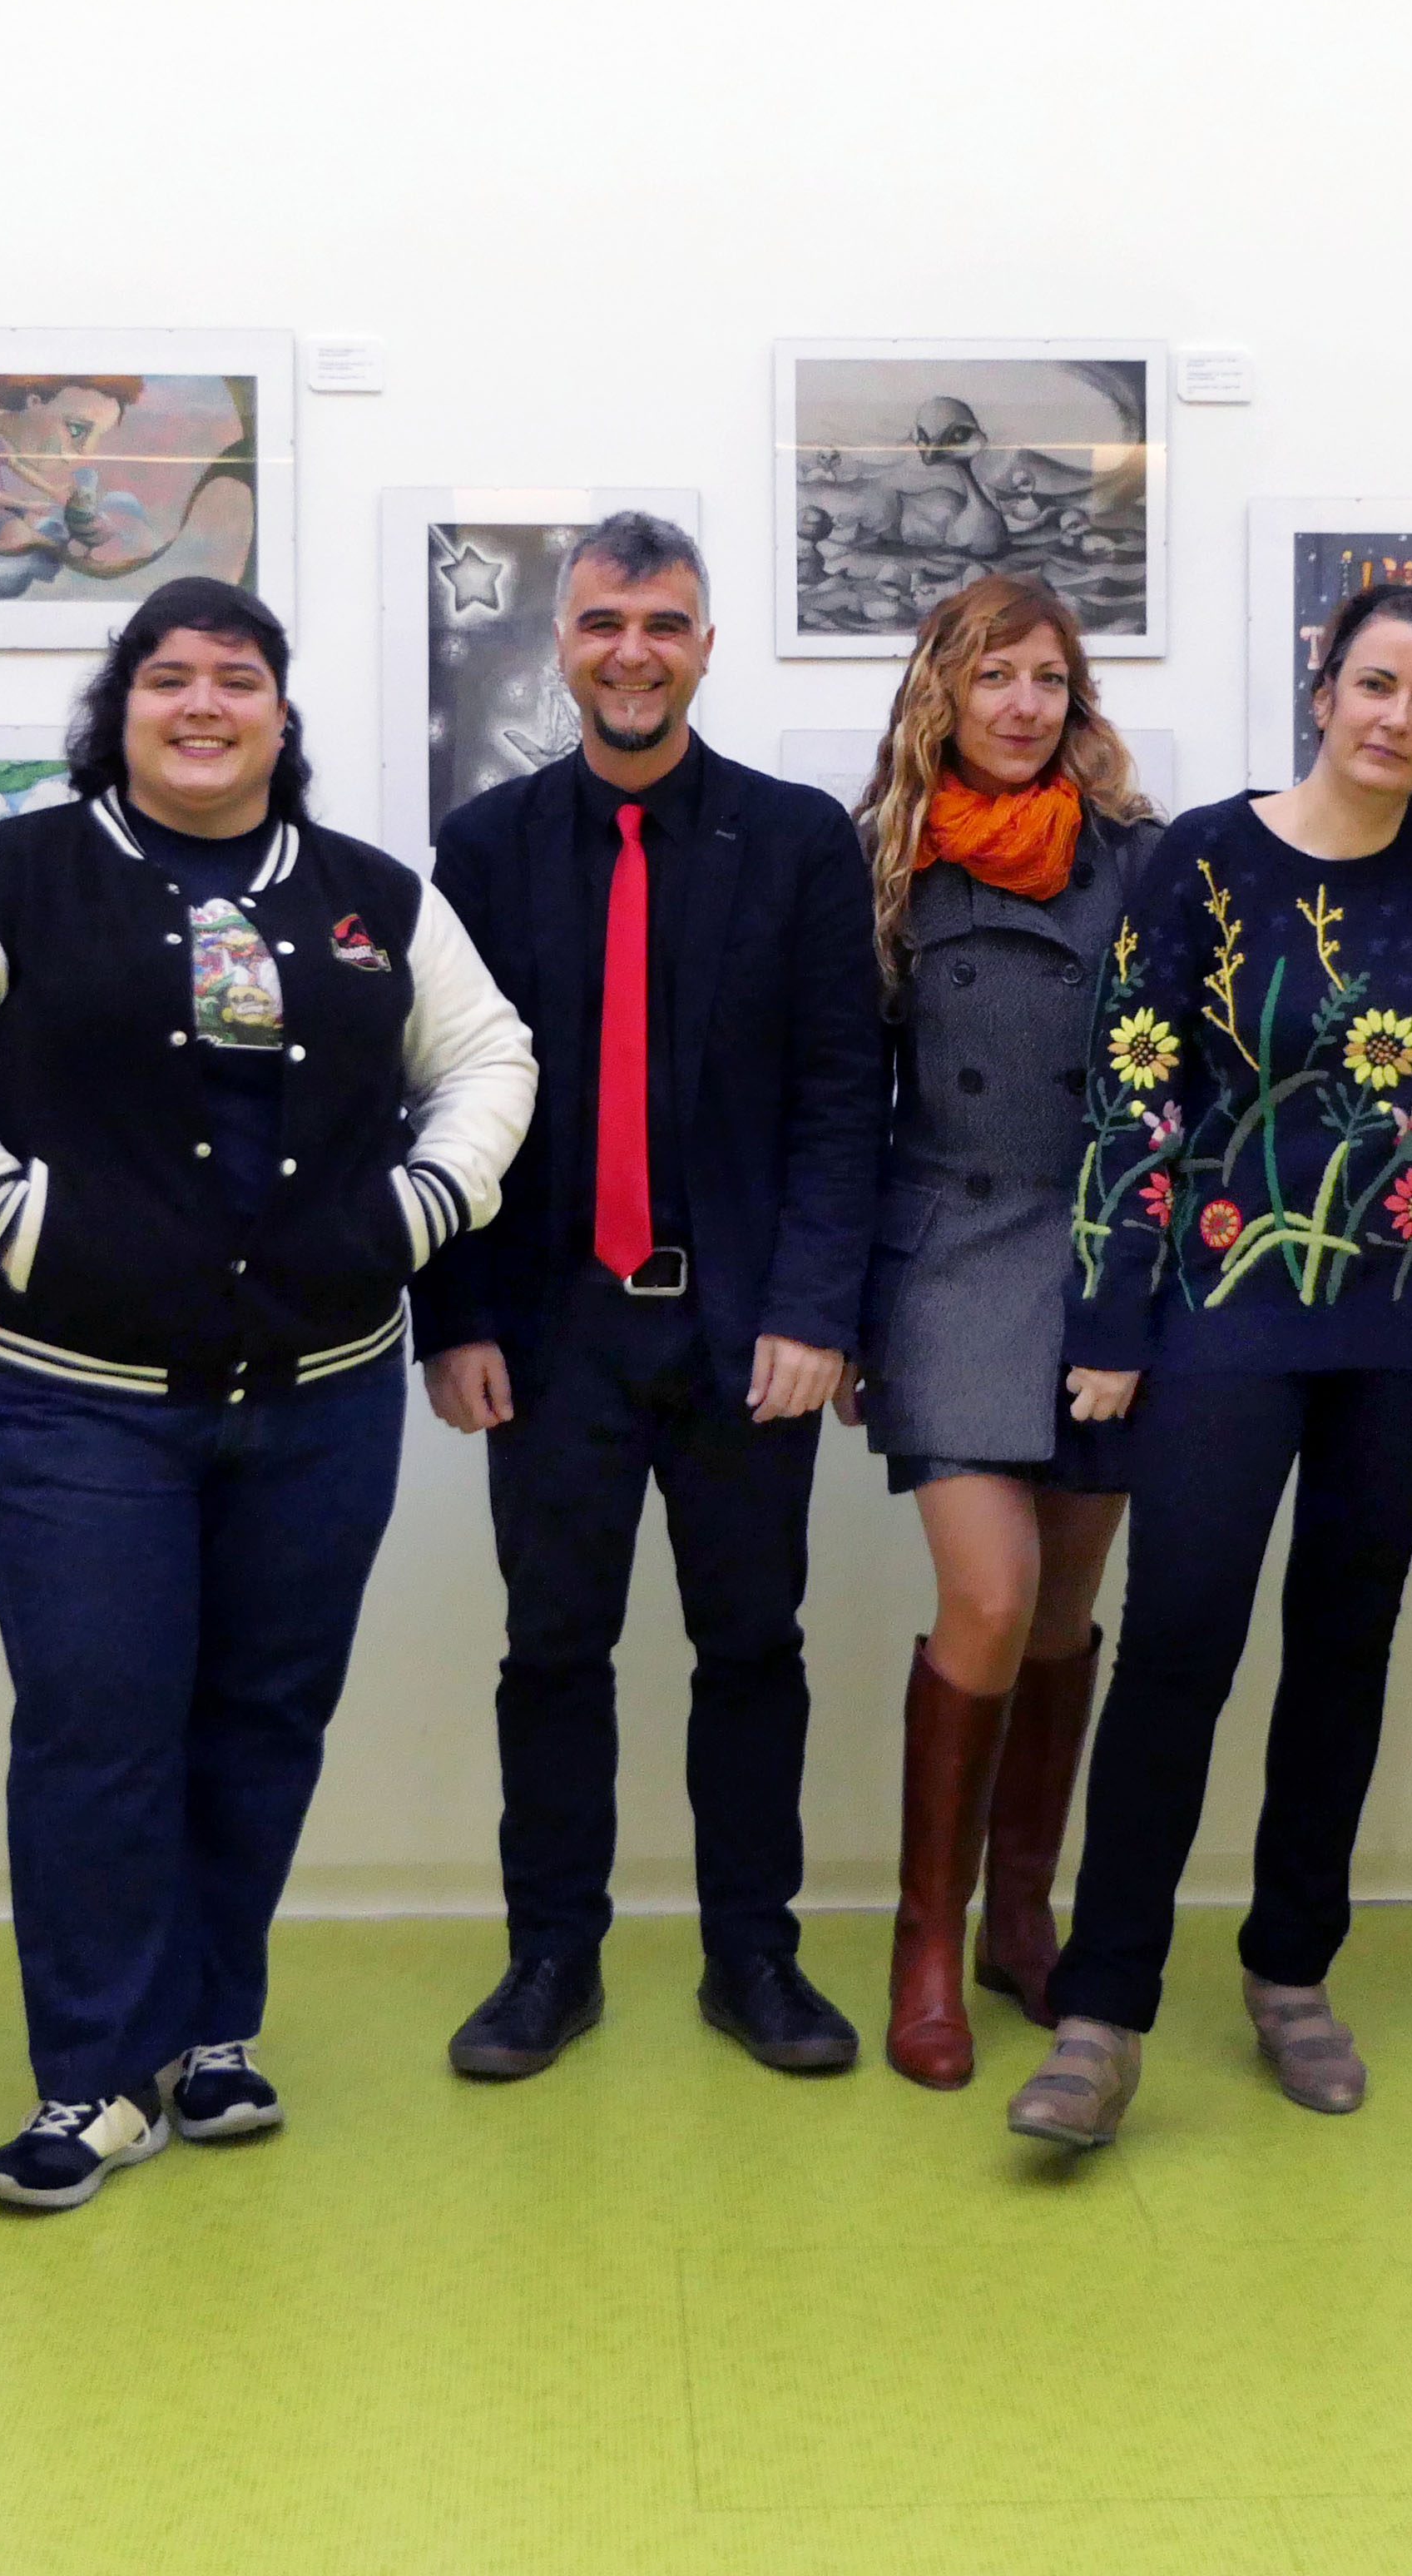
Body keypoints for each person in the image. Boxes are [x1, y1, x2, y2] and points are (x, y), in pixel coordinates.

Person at [0, 578, 533, 2207]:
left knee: (262, 1717)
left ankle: (213, 2029)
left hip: (322, 1399)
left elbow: (491, 1058)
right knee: (99, 1729)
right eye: (170, 679)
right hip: (79, 1402)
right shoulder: (9, 876)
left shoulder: (374, 898)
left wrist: (423, 1210)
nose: (203, 706)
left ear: (280, 716)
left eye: (236, 680)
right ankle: (93, 2077)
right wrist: (6, 1214)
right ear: (123, 707)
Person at [1003, 583, 1412, 2150]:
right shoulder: (1205, 858)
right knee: (1179, 1646)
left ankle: (1292, 1972)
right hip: (1228, 1309)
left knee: (1345, 1654)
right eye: (1377, 683)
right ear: (1324, 684)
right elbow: (1136, 1086)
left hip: (1408, 1321)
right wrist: (1110, 1317)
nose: (1397, 719)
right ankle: (1102, 2013)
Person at [415, 512, 888, 2084]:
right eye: (606, 623)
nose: (634, 653)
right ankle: (550, 1959)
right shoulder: (485, 849)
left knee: (753, 1646)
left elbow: (842, 1094)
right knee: (552, 1651)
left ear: (705, 646)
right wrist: (456, 1318)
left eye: (664, 624)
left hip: (745, 1324)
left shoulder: (797, 840)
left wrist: (817, 1312)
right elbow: (445, 1096)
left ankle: (754, 1957)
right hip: (554, 1330)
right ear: (563, 644)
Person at [842, 573, 1161, 2088]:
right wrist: (839, 1309)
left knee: (1064, 1611)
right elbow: (840, 1101)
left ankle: (1021, 1917)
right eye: (993, 678)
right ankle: (927, 1938)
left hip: (1100, 1262)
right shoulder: (881, 860)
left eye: (1047, 676)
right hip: (948, 1256)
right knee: (991, 1590)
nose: (1024, 705)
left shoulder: (1141, 860)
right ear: (942, 696)